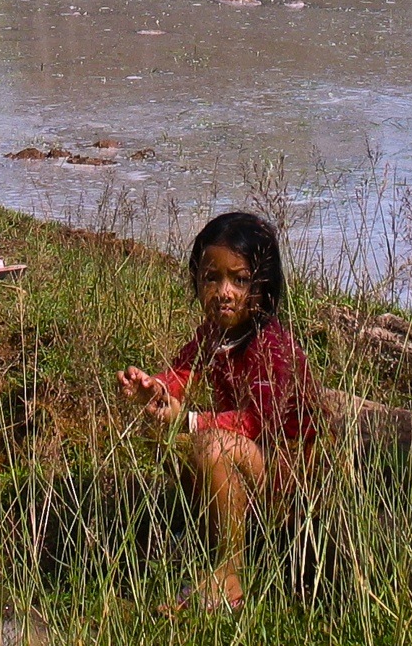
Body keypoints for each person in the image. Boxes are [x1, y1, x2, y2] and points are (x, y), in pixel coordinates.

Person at [119, 212, 318, 614]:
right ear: (196, 279)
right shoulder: (215, 333)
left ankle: (230, 576)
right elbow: (186, 370)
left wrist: (191, 420)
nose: (224, 292)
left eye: (239, 280)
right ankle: (206, 537)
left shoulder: (271, 347)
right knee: (163, 431)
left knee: (212, 446)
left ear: (263, 288)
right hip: (254, 467)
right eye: (212, 278)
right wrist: (155, 388)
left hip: (290, 485)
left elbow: (256, 422)